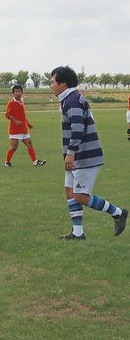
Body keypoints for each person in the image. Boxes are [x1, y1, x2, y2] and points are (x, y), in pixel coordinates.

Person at [50, 66, 127, 240]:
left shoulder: (72, 100)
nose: (51, 85)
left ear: (63, 83)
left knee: (80, 195)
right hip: (77, 155)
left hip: (84, 156)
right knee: (70, 192)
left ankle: (118, 212)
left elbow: (78, 128)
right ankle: (78, 233)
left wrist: (70, 153)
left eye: (53, 82)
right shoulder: (69, 98)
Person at [4, 85, 45, 167]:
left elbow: (23, 116)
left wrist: (28, 124)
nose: (18, 93)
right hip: (14, 129)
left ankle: (35, 161)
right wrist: (16, 121)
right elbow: (8, 114)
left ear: (22, 92)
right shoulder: (11, 103)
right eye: (16, 91)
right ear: (13, 93)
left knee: (29, 144)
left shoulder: (22, 101)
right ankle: (7, 162)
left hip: (23, 129)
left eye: (19, 91)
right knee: (14, 147)